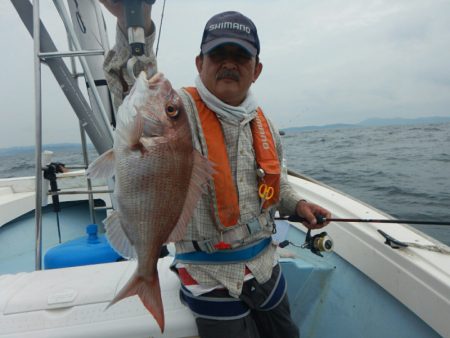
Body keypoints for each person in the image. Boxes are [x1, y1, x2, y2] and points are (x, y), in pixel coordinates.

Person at [99, 1, 332, 337]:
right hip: (208, 276)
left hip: (266, 266)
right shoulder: (178, 113)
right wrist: (133, 23)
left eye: (240, 57)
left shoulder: (264, 124)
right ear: (200, 62)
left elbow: (274, 180)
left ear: (256, 70)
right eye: (217, 55)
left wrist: (297, 204)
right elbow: (135, 78)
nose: (228, 64)